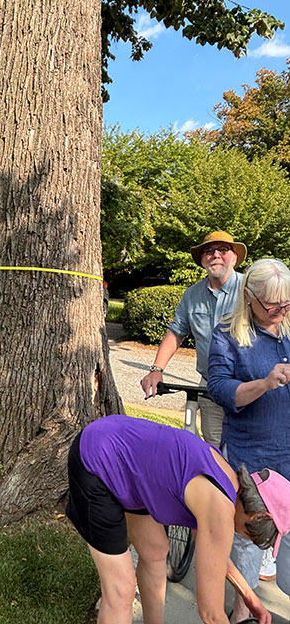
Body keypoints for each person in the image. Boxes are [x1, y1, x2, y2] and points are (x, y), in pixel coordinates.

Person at [66, 413, 290, 624]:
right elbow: (211, 613)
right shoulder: (219, 510)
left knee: (155, 550)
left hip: (126, 460)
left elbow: (216, 557)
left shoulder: (228, 481)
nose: (250, 539)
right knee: (121, 590)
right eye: (257, 535)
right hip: (96, 458)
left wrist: (249, 597)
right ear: (259, 515)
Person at [208, 258, 290, 620]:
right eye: (272, 304)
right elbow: (221, 390)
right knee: (249, 545)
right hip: (253, 459)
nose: (280, 310)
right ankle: (243, 613)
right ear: (250, 297)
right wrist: (265, 383)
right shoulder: (227, 334)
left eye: (287, 303)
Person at [141, 230, 247, 448]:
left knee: (250, 450)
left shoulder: (251, 289)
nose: (216, 255)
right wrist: (156, 369)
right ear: (202, 259)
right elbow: (176, 333)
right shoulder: (192, 295)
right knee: (215, 450)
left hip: (249, 387)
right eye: (209, 251)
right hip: (211, 387)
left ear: (234, 257)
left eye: (223, 250)